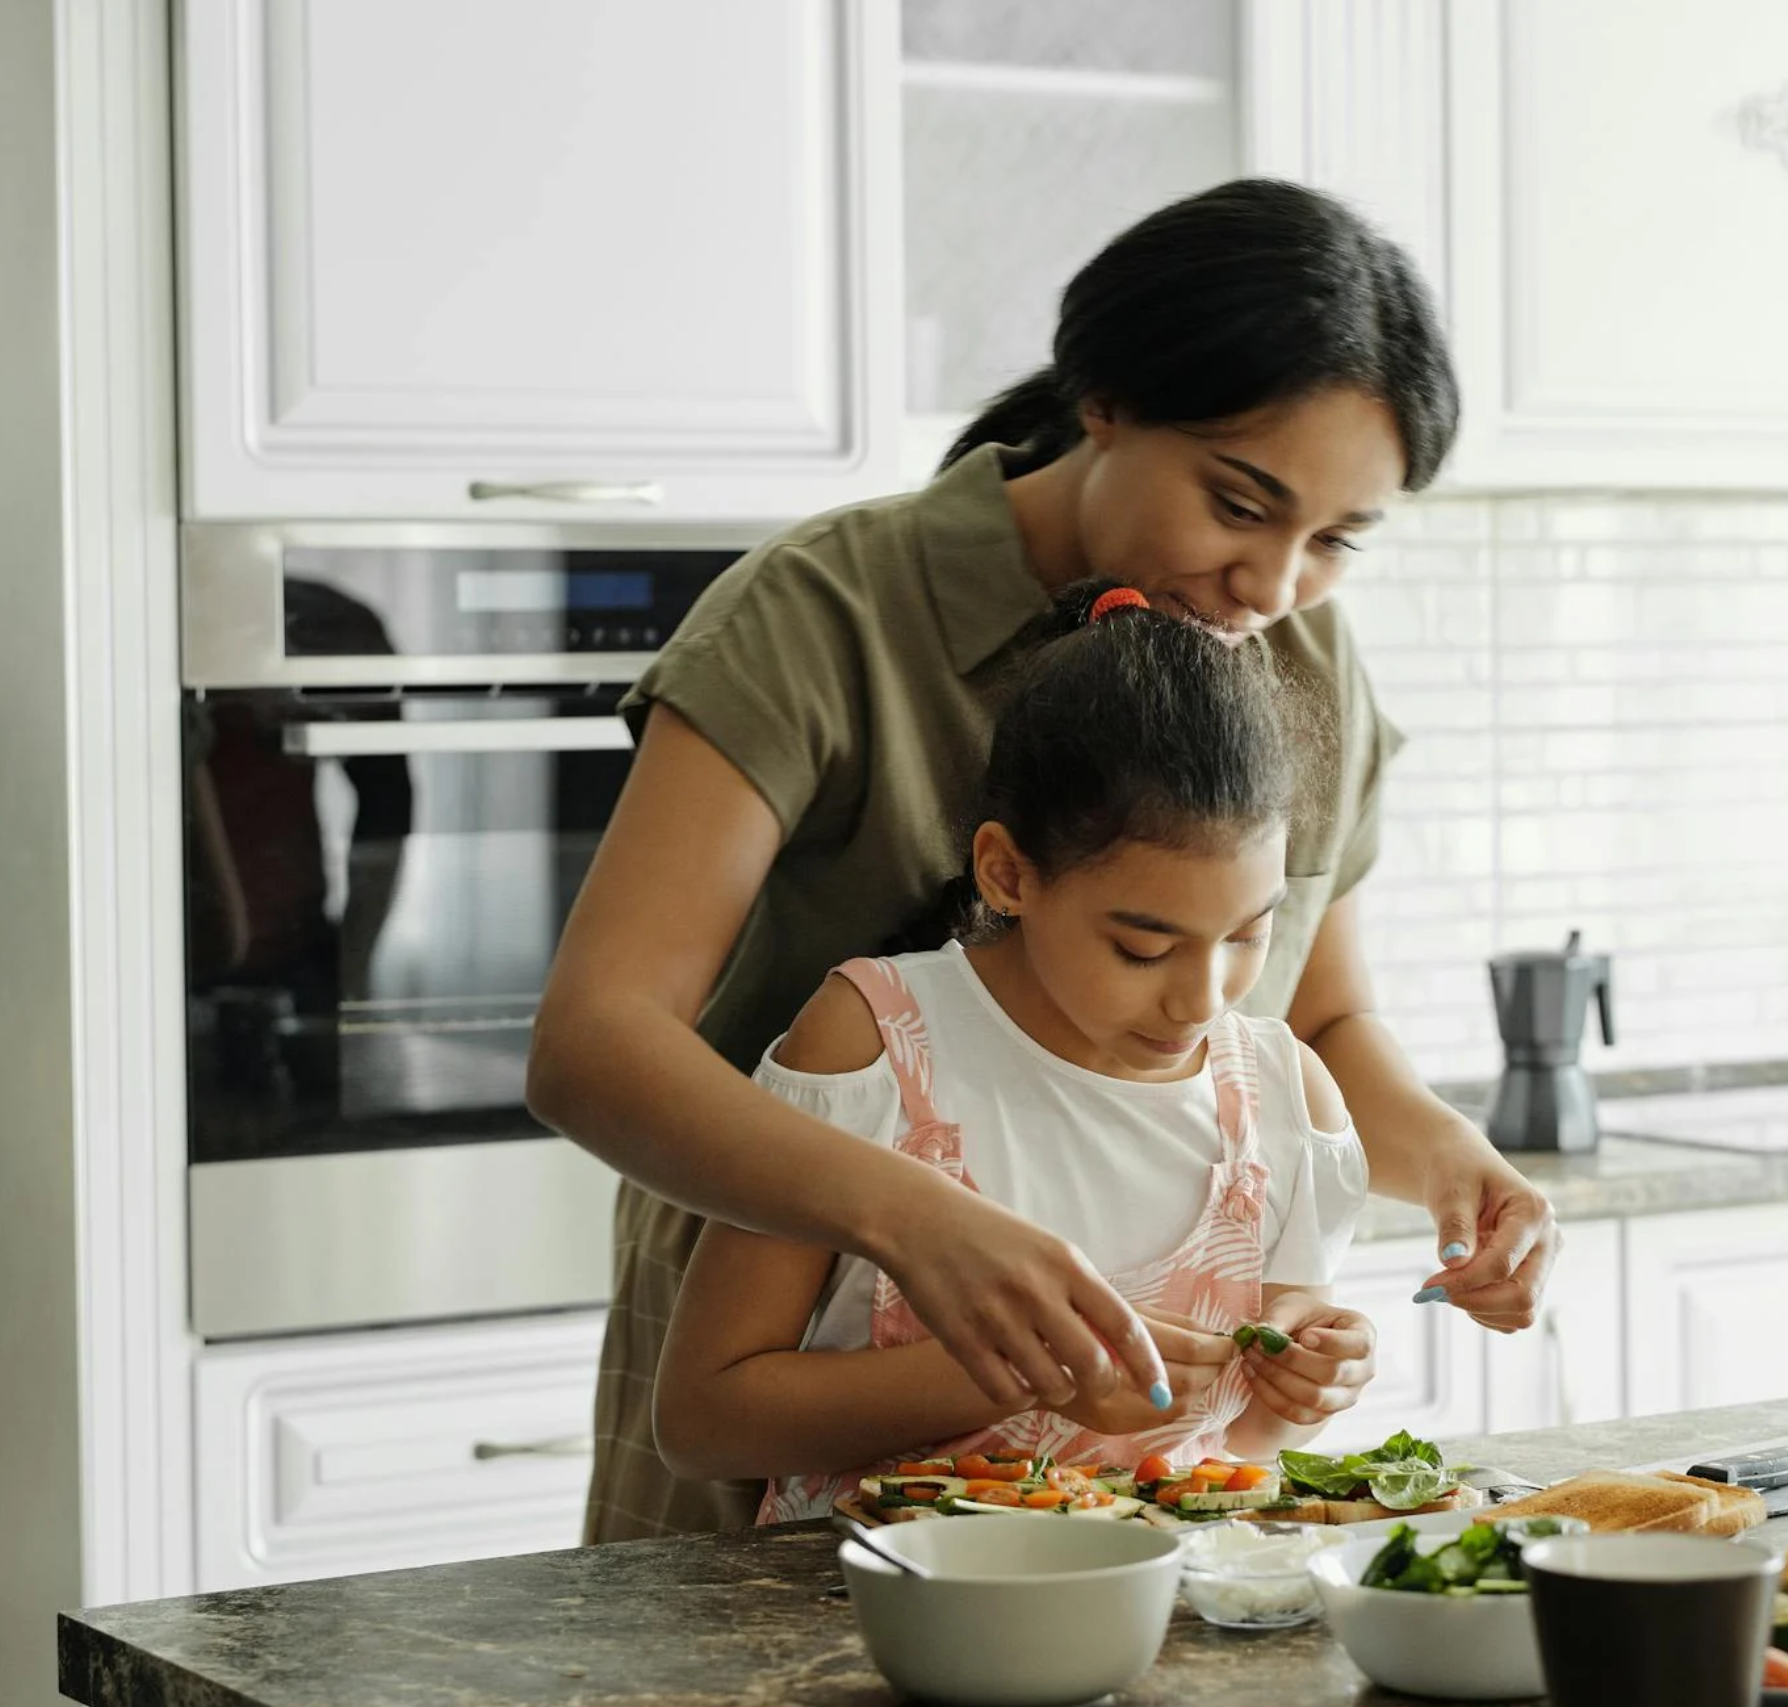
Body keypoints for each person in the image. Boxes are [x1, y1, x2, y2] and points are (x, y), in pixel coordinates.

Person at [527, 177, 1563, 1542]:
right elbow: (594, 1042)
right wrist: (917, 1220)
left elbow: (1313, 1016)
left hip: (1122, 1479)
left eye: (1335, 541)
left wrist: (1446, 1159)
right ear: (1107, 402)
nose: (1276, 582)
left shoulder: (1298, 653)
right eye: (1240, 502)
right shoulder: (825, 611)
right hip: (789, 1361)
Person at [653, 583, 1370, 1515]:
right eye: (1143, 947)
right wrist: (1022, 1374)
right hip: (868, 1624)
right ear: (1007, 872)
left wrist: (1303, 1388)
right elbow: (703, 1419)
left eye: (1248, 934)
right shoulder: (876, 1045)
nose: (1203, 997)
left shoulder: (1284, 1099)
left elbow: (1245, 1448)